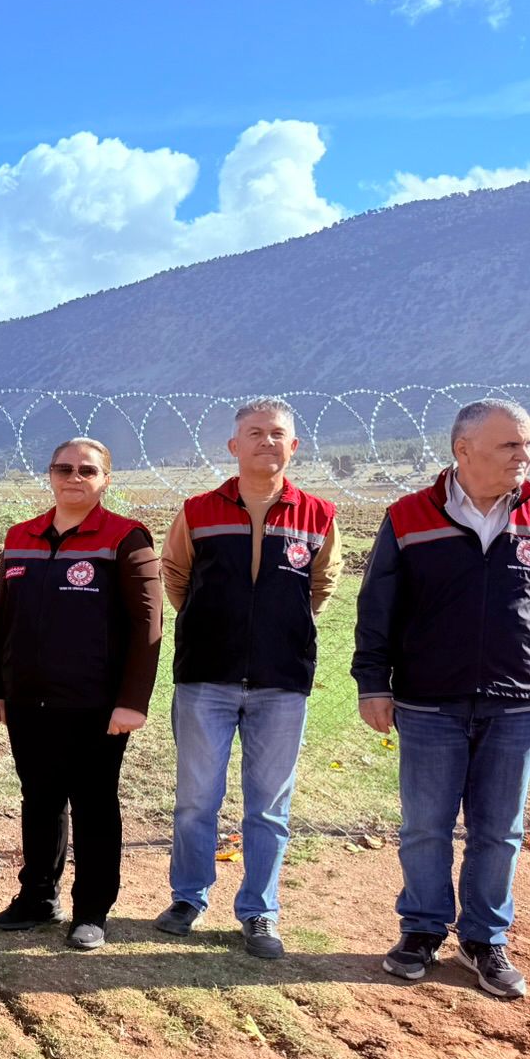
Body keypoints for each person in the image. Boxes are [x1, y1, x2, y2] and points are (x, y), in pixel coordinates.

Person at [356, 399, 530, 1002]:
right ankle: (420, 930)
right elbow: (378, 610)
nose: (525, 456)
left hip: (516, 702)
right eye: (509, 446)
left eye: (527, 445)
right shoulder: (408, 516)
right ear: (463, 450)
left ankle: (484, 940)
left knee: (500, 830)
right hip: (427, 703)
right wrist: (374, 682)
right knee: (425, 827)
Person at [154, 399, 340, 960]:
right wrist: (215, 626)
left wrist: (280, 630)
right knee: (195, 801)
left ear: (293, 446)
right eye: (253, 434)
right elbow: (177, 576)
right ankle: (188, 897)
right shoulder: (198, 510)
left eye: (277, 434)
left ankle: (260, 912)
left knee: (268, 807)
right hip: (205, 678)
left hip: (283, 682)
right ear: (234, 446)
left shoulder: (319, 515)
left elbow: (322, 586)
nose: (266, 442)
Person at [0, 438, 161, 949]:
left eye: (88, 470)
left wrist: (132, 701)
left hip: (97, 706)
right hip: (28, 700)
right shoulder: (20, 537)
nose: (74, 477)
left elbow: (148, 625)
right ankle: (38, 896)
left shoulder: (126, 538)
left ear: (106, 479)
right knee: (39, 800)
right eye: (64, 468)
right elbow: (0, 617)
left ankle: (92, 911)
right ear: (50, 474)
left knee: (95, 804)